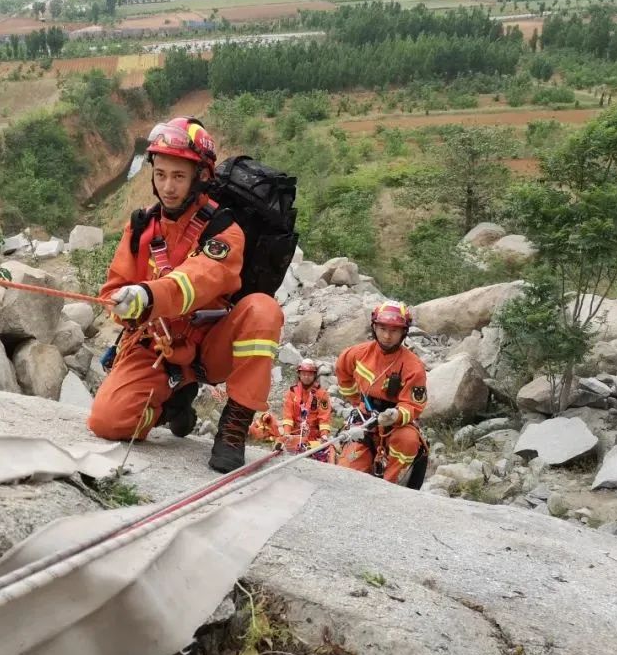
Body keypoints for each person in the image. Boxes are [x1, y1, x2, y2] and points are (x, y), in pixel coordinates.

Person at [87, 117, 284, 473]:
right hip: (157, 345)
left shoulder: (224, 230)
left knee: (263, 310)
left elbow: (200, 280)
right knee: (107, 422)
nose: (168, 186)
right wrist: (126, 306)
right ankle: (171, 405)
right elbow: (114, 290)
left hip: (209, 347)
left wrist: (148, 295)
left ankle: (234, 427)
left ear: (200, 177)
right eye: (161, 174)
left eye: (178, 176)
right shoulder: (141, 226)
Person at [333, 301, 428, 485]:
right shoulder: (357, 353)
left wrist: (396, 415)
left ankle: (390, 485)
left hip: (396, 423)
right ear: (374, 327)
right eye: (382, 328)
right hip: (365, 417)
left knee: (408, 439)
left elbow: (414, 405)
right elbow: (342, 371)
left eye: (394, 330)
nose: (387, 336)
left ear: (404, 332)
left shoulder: (413, 367)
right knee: (347, 473)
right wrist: (355, 401)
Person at [278, 359, 333, 461]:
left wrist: (324, 435)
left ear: (314, 375)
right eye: (304, 374)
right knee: (279, 445)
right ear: (299, 374)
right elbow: (288, 416)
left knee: (326, 452)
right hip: (295, 434)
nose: (307, 377)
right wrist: (287, 433)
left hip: (313, 436)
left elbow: (324, 417)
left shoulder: (322, 394)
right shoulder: (291, 392)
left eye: (310, 374)